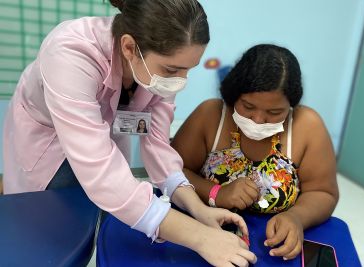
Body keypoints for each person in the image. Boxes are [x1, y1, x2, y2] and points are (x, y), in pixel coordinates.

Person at [2, 0, 257, 266]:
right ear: (128, 47)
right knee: (54, 230)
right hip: (49, 141)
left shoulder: (157, 71)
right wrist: (200, 238)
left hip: (106, 131)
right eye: (172, 70)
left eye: (188, 69)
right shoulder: (70, 53)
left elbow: (158, 146)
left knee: (103, 213)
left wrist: (198, 208)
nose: (180, 81)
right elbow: (101, 174)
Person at [171, 44, 339, 260]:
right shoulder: (211, 115)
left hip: (271, 249)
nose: (258, 120)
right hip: (203, 237)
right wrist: (216, 193)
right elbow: (172, 171)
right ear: (233, 95)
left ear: (291, 106)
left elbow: (323, 192)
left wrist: (296, 217)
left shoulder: (308, 126)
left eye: (274, 112)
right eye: (248, 107)